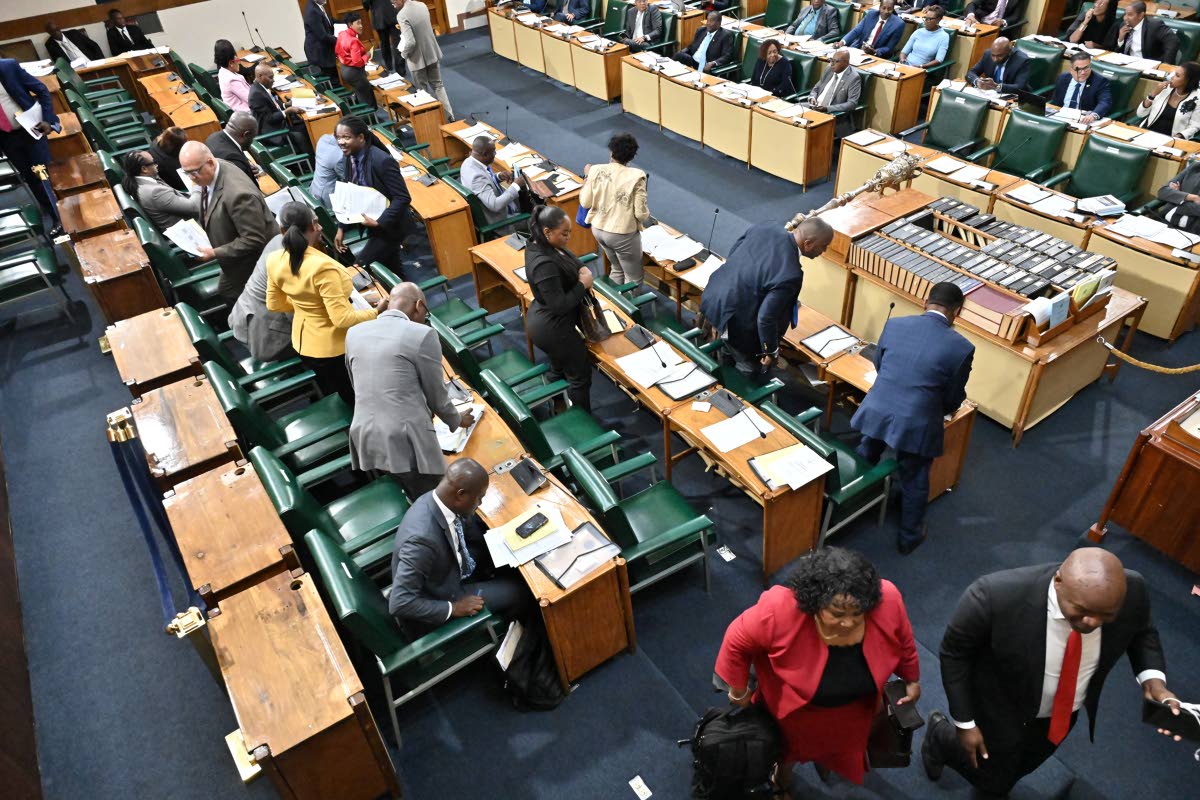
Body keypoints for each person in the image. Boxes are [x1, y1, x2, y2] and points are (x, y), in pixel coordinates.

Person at [923, 548, 1178, 797]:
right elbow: (954, 654)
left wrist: (1153, 681)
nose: (1092, 622)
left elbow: (1142, 631)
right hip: (1002, 710)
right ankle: (939, 736)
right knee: (993, 779)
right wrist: (964, 723)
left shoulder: (1131, 590)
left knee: (1023, 766)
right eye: (1082, 610)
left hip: (1062, 715)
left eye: (1105, 616)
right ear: (1058, 582)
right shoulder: (994, 596)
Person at [715, 548, 920, 791]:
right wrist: (739, 691)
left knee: (840, 749)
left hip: (853, 714)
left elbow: (904, 638)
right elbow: (737, 638)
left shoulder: (888, 598)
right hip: (796, 717)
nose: (849, 622)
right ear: (814, 603)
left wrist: (911, 677)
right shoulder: (779, 610)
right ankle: (781, 780)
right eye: (837, 614)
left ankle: (825, 759)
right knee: (787, 754)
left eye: (858, 613)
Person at [851, 282, 973, 555]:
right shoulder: (961, 347)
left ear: (925, 302)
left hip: (878, 408)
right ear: (957, 311)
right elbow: (954, 396)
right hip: (918, 421)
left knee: (866, 452)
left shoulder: (895, 325)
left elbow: (879, 365)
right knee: (915, 477)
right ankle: (909, 536)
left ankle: (851, 501)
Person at [345, 282, 478, 498]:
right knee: (436, 497)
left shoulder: (354, 332)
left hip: (365, 431)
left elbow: (356, 383)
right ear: (419, 306)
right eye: (426, 312)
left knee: (405, 485)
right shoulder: (422, 334)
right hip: (404, 439)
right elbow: (437, 396)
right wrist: (457, 420)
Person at [388, 458, 530, 633]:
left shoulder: (438, 498)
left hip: (452, 566)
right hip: (444, 595)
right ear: (461, 494)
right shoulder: (421, 542)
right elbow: (400, 603)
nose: (480, 503)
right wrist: (453, 608)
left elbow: (465, 528)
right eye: (479, 498)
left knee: (501, 552)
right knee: (522, 590)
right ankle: (509, 636)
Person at [265, 201, 380, 404]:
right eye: (317, 223)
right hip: (335, 350)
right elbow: (342, 319)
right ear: (313, 225)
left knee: (337, 394)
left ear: (282, 230)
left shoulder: (274, 259)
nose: (320, 227)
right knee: (359, 400)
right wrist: (378, 311)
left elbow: (274, 304)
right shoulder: (323, 268)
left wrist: (307, 305)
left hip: (304, 344)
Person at [698, 217, 834, 375]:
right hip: (737, 323)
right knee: (748, 369)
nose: (823, 251)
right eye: (823, 246)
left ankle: (726, 375)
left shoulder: (766, 226)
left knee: (725, 353)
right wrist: (770, 351)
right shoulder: (791, 273)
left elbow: (735, 253)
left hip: (715, 298)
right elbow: (766, 318)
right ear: (808, 243)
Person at [179, 141, 277, 302]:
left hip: (255, 265)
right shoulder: (216, 168)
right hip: (232, 257)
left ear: (210, 162)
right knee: (226, 292)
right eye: (186, 172)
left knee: (241, 303)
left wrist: (214, 253)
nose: (192, 179)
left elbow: (253, 239)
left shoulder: (239, 195)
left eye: (194, 172)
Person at [524, 205, 595, 412]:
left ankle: (557, 405)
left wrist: (581, 268)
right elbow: (559, 305)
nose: (568, 238)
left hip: (545, 321)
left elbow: (566, 255)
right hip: (553, 328)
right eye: (564, 233)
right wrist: (583, 284)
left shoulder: (542, 244)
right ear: (547, 231)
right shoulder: (543, 264)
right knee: (579, 376)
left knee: (557, 367)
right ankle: (583, 426)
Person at [334, 115, 415, 279]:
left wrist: (379, 222)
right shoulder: (348, 157)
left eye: (346, 137)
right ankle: (408, 297)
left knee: (360, 268)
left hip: (390, 226)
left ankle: (407, 297)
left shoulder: (382, 161)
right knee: (392, 268)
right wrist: (342, 227)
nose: (341, 142)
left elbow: (402, 198)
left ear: (361, 138)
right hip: (370, 223)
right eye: (338, 137)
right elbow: (351, 192)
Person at [580, 133, 650, 286]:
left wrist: (587, 178)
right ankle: (626, 309)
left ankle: (613, 305)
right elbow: (640, 214)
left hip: (598, 229)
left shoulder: (595, 170)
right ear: (631, 157)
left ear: (611, 152)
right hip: (622, 234)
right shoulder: (637, 175)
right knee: (634, 278)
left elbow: (585, 202)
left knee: (617, 269)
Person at [0, 57, 61, 215]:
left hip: (31, 128)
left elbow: (41, 90)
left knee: (42, 173)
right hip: (6, 138)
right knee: (30, 177)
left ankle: (61, 216)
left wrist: (47, 119)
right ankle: (51, 214)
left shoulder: (8, 67)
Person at [228, 233, 296, 364]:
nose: (320, 228)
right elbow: (296, 317)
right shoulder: (287, 261)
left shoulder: (279, 239)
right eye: (315, 224)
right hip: (267, 338)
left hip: (243, 317)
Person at [393, 0, 455, 121]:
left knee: (422, 91)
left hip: (417, 58)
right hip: (432, 52)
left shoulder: (402, 15)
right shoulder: (422, 5)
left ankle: (431, 121)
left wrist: (403, 54)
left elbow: (410, 42)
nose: (393, 5)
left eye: (393, 2)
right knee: (438, 86)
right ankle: (450, 116)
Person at [459, 135, 527, 230]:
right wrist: (516, 185)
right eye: (493, 151)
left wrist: (498, 176)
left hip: (495, 209)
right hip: (501, 223)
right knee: (535, 220)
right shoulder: (477, 177)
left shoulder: (468, 162)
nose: (495, 153)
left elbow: (485, 181)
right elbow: (495, 205)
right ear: (485, 154)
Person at [120, 150, 199, 231]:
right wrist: (197, 183)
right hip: (193, 227)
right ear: (144, 169)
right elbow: (195, 207)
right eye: (154, 162)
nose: (157, 165)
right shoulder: (155, 192)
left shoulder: (140, 180)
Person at [248, 63, 312, 157]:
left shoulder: (261, 87)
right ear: (260, 76)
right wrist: (288, 111)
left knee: (305, 126)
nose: (273, 80)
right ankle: (312, 164)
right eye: (270, 78)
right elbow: (269, 118)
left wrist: (286, 105)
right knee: (301, 133)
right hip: (271, 133)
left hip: (277, 125)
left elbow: (273, 105)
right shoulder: (256, 95)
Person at [806, 49, 862, 138]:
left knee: (811, 130)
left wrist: (827, 108)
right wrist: (812, 97)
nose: (832, 64)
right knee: (792, 113)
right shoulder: (829, 68)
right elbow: (816, 88)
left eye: (836, 61)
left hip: (832, 114)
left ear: (846, 62)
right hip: (815, 106)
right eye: (831, 60)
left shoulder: (853, 78)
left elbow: (852, 104)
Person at [1135, 62, 1200, 139]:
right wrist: (1154, 93)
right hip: (1146, 133)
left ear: (1188, 81)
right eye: (1175, 73)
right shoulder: (1164, 89)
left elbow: (1195, 126)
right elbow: (1140, 114)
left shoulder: (1197, 98)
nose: (1172, 77)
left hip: (1171, 140)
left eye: (1177, 76)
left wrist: (1179, 137)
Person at [1106, 1, 1179, 65]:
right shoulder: (1124, 26)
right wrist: (1120, 40)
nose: (1125, 18)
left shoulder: (1154, 25)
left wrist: (1166, 64)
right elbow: (1118, 53)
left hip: (1148, 64)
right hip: (1128, 65)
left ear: (1141, 15)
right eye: (1125, 14)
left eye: (1130, 15)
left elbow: (1173, 41)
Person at [1050, 53, 1112, 124]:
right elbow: (1055, 101)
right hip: (1060, 117)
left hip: (1082, 120)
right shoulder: (1063, 78)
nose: (1083, 72)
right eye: (1078, 69)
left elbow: (1105, 102)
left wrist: (1093, 115)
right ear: (1071, 70)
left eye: (1086, 68)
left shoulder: (1100, 81)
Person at [336, 12, 378, 112]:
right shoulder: (353, 40)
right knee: (367, 100)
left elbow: (337, 51)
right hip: (355, 73)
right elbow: (358, 62)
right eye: (358, 23)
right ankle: (371, 121)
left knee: (361, 94)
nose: (361, 26)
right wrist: (367, 55)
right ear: (350, 25)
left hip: (344, 69)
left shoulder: (342, 34)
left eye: (361, 23)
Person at [205, 112, 261, 184]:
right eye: (252, 137)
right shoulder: (232, 158)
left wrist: (248, 170)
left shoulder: (212, 137)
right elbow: (246, 190)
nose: (251, 141)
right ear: (246, 134)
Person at [1151, 155, 1200, 233]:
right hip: (1164, 221)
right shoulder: (1194, 167)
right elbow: (1162, 192)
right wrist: (1192, 197)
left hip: (1193, 231)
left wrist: (1178, 196)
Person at [838, 0, 903, 59]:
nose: (886, 11)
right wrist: (842, 42)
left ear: (893, 9)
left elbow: (889, 47)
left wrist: (875, 52)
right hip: (859, 49)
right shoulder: (871, 14)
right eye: (884, 8)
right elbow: (856, 31)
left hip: (878, 55)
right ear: (879, 8)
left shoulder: (898, 24)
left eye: (889, 9)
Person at [966, 37, 1030, 95]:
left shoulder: (1022, 60)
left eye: (1000, 56)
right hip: (989, 95)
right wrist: (977, 81)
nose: (995, 59)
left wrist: (997, 87)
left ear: (1009, 52)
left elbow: (1021, 87)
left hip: (1011, 96)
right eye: (993, 55)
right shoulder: (988, 54)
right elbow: (970, 73)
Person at [899, 5, 950, 70]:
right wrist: (902, 61)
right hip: (905, 65)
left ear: (938, 20)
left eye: (930, 19)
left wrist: (921, 66)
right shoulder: (918, 32)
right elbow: (904, 52)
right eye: (925, 18)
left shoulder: (944, 36)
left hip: (920, 69)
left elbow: (939, 60)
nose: (926, 21)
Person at [304, 0, 340, 84]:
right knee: (332, 79)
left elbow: (329, 21)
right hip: (320, 53)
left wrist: (346, 22)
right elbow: (323, 36)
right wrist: (341, 40)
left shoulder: (317, 5)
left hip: (324, 49)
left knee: (335, 75)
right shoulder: (313, 10)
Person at [213, 39, 251, 114]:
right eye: (235, 57)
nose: (239, 61)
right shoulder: (232, 81)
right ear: (230, 63)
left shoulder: (222, 71)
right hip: (248, 117)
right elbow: (253, 100)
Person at [149, 126, 190, 192]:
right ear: (178, 145)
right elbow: (183, 181)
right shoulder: (171, 163)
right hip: (178, 187)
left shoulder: (156, 142)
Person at [308, 132, 344, 206]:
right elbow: (352, 179)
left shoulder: (323, 139)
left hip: (314, 191)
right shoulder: (340, 156)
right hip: (328, 201)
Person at [364, 0, 400, 73]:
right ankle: (401, 70)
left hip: (379, 16)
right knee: (397, 43)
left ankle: (389, 67)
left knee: (384, 43)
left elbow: (365, 3)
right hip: (393, 12)